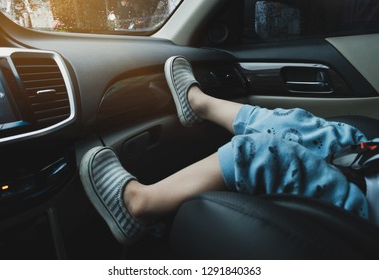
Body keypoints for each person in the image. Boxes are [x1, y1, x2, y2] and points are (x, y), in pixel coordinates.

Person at [80, 56, 377, 245]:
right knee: (299, 123)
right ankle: (200, 104)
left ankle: (139, 206)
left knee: (265, 155)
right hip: (370, 162)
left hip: (369, 210)